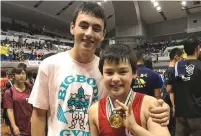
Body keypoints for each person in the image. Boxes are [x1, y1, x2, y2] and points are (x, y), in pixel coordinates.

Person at [29, 2, 170, 136]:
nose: (89, 33)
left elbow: (124, 98)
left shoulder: (107, 69)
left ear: (103, 34)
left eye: (96, 28)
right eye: (83, 26)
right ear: (72, 27)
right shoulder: (50, 65)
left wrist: (161, 108)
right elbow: (39, 115)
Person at [89, 44, 170, 136]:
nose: (115, 78)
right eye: (109, 72)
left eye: (123, 72)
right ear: (102, 74)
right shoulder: (94, 111)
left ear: (134, 73)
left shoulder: (150, 105)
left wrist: (134, 128)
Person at [173, 37, 201, 136]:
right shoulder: (199, 66)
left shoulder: (177, 66)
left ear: (184, 50)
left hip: (180, 112)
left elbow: (172, 89)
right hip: (196, 113)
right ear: (198, 48)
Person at [3, 64, 32, 136]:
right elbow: (9, 110)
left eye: (23, 73)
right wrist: (14, 126)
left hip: (33, 126)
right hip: (19, 129)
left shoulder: (31, 89)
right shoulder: (9, 92)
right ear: (13, 76)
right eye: (18, 73)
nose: (21, 75)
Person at [163, 48, 183, 136]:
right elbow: (169, 90)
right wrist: (174, 106)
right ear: (176, 57)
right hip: (171, 103)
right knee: (173, 127)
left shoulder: (170, 70)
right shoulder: (171, 70)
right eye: (181, 57)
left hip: (171, 102)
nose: (182, 59)